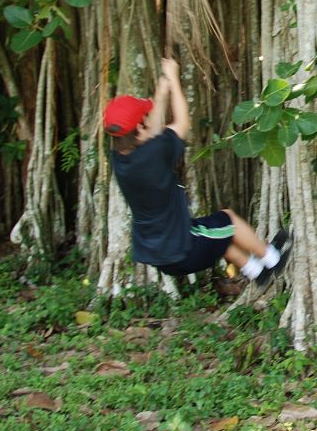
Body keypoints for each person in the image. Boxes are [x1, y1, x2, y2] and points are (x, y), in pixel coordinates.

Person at [103, 58, 290, 285]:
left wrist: (162, 96)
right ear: (141, 127)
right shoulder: (154, 153)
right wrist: (173, 78)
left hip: (161, 252)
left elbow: (148, 134)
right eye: (145, 119)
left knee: (218, 236)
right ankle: (272, 258)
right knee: (228, 220)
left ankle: (256, 272)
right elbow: (182, 123)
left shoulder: (119, 159)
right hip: (184, 249)